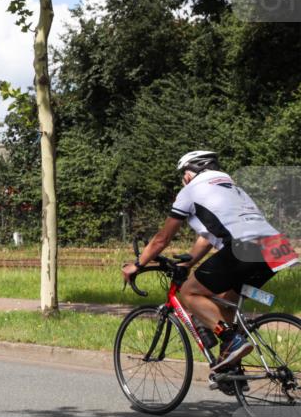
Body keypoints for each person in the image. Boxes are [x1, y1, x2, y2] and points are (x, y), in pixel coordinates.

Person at [121, 151, 298, 379]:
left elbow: (161, 239)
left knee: (188, 292)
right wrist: (188, 264)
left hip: (245, 248)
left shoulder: (191, 191)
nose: (183, 179)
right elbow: (206, 238)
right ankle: (232, 370)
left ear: (190, 173)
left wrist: (137, 265)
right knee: (224, 302)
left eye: (183, 174)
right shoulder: (231, 188)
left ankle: (231, 341)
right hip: (277, 248)